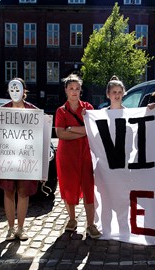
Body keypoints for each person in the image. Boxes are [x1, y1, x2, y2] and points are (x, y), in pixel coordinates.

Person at [54, 74, 101, 239]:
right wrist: (81, 131)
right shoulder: (61, 110)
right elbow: (60, 134)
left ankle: (90, 224)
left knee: (88, 187)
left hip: (86, 153)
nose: (74, 91)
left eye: (77, 88)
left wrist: (70, 129)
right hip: (67, 155)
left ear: (81, 90)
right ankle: (72, 219)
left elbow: (92, 129)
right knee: (69, 187)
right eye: (71, 88)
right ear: (66, 90)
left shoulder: (87, 108)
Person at [0, 78, 39, 241]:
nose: (15, 92)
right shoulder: (2, 112)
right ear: (8, 91)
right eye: (12, 89)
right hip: (7, 158)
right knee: (8, 192)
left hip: (25, 159)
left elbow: (38, 137)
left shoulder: (33, 111)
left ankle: (20, 228)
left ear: (24, 91)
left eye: (18, 89)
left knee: (23, 193)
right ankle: (10, 228)